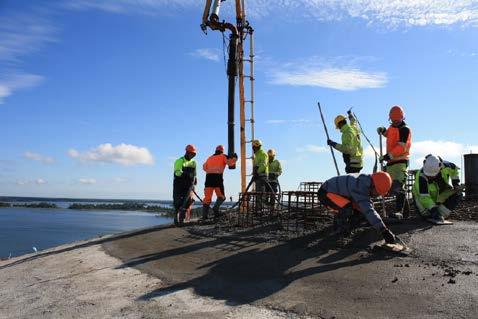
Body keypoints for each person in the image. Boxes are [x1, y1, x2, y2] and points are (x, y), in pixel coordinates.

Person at [317, 171, 397, 244]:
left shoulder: (365, 181)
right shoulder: (359, 186)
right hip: (325, 194)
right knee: (347, 208)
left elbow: (367, 207)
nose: (376, 195)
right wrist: (383, 230)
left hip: (340, 195)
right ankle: (339, 235)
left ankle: (347, 228)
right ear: (373, 186)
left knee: (360, 210)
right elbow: (368, 210)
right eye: (377, 193)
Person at [377, 105, 412, 219]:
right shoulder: (392, 127)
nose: (395, 122)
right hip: (391, 163)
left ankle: (399, 212)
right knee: (393, 188)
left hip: (401, 161)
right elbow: (390, 134)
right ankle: (405, 214)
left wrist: (387, 156)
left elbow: (401, 147)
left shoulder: (405, 129)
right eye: (393, 120)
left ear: (402, 118)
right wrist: (383, 131)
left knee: (398, 186)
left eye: (397, 120)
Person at [412, 155, 462, 223]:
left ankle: (441, 214)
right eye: (429, 176)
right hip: (420, 198)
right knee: (425, 214)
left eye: (433, 175)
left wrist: (455, 183)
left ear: (440, 168)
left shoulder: (447, 166)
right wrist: (433, 210)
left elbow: (454, 170)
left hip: (439, 194)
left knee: (458, 194)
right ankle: (434, 213)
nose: (431, 177)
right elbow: (424, 197)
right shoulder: (421, 177)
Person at [201, 145, 237, 221]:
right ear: (222, 151)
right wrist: (235, 158)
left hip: (208, 179)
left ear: (216, 150)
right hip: (217, 179)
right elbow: (230, 163)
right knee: (221, 197)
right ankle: (215, 208)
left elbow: (204, 167)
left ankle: (204, 217)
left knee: (207, 199)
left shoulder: (209, 158)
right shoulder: (223, 156)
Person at [173, 144, 197, 226]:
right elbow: (177, 172)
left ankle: (181, 220)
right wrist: (186, 174)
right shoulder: (180, 161)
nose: (192, 156)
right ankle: (176, 219)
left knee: (187, 201)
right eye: (191, 154)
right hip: (179, 185)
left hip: (189, 186)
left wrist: (195, 180)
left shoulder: (193, 163)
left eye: (194, 154)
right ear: (187, 152)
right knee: (177, 202)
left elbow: (194, 174)